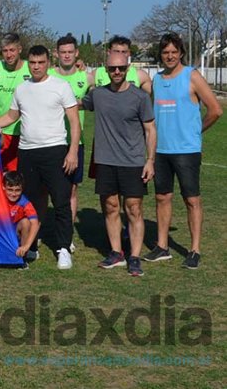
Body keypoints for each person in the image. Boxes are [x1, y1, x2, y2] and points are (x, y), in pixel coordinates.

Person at [0, 45, 80, 271]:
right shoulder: (21, 89)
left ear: (48, 62)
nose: (36, 67)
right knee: (31, 202)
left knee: (61, 201)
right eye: (33, 63)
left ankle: (63, 248)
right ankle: (32, 246)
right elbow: (10, 116)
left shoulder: (61, 86)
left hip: (55, 150)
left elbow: (75, 121)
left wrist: (73, 151)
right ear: (28, 63)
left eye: (41, 62)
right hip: (27, 152)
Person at [148, 33, 222, 269]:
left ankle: (194, 249)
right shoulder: (157, 80)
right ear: (161, 55)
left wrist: (196, 132)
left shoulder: (192, 76)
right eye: (165, 52)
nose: (169, 56)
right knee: (162, 197)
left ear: (181, 53)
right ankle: (162, 246)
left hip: (186, 150)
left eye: (173, 52)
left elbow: (215, 110)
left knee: (191, 199)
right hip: (161, 150)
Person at [83, 50, 156, 277]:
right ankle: (116, 253)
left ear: (127, 68)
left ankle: (134, 257)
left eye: (121, 68)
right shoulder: (98, 95)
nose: (117, 72)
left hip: (132, 162)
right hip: (105, 161)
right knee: (110, 207)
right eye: (112, 68)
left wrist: (150, 160)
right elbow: (74, 104)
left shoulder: (140, 97)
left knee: (133, 209)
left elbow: (150, 129)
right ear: (106, 70)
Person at [49, 33, 93, 227]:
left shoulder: (87, 77)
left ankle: (67, 233)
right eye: (62, 52)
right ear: (56, 54)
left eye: (70, 52)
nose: (66, 55)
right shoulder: (48, 75)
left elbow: (102, 95)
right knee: (47, 188)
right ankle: (42, 230)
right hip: (51, 140)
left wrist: (82, 103)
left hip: (76, 142)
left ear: (76, 53)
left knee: (72, 189)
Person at [0, 33, 31, 171]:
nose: (8, 55)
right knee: (1, 177)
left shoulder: (30, 68)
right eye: (5, 51)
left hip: (26, 133)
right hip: (2, 132)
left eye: (12, 50)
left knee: (25, 178)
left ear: (20, 49)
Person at [3, 171, 40, 268]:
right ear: (3, 187)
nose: (13, 194)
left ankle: (22, 256)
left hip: (15, 233)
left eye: (17, 190)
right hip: (1, 232)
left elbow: (35, 223)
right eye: (10, 190)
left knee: (26, 222)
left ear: (22, 189)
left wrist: (27, 246)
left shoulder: (25, 203)